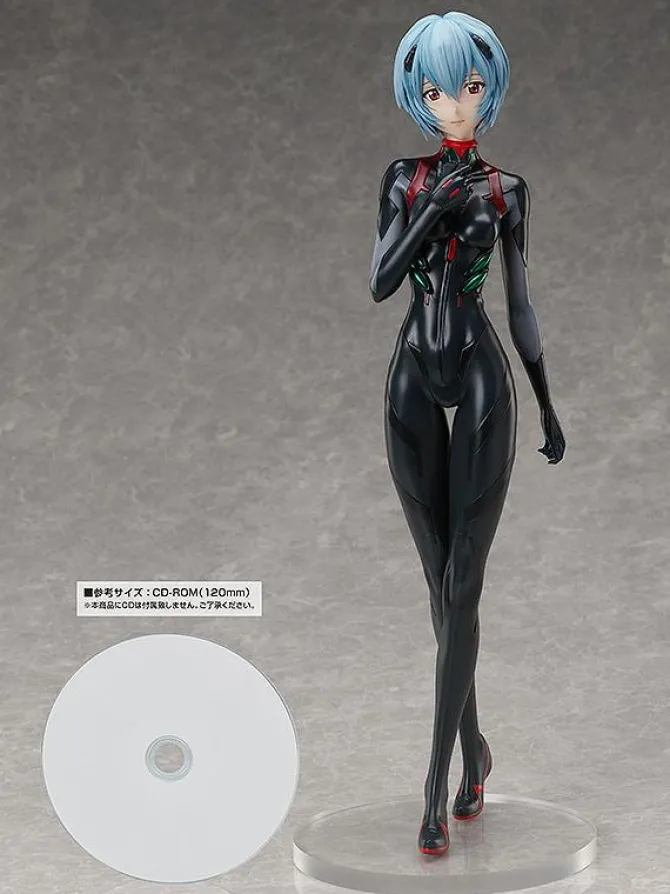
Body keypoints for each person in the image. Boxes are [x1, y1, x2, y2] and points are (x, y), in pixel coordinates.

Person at [369, 11, 566, 856]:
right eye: (439, 89)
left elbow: (519, 304)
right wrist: (432, 210)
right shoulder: (404, 177)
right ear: (419, 94)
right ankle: (474, 750)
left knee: (461, 587)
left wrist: (546, 400)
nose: (455, 104)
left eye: (472, 86)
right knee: (439, 583)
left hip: (481, 374)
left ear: (491, 89)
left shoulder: (509, 190)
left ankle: (437, 784)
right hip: (413, 374)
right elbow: (381, 279)